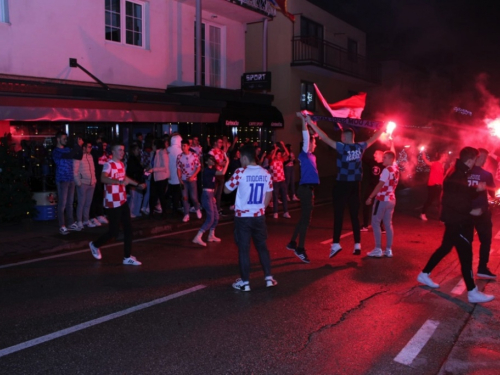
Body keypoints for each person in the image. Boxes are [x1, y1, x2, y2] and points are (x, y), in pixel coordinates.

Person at [417, 147, 494, 303]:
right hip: (457, 221)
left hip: (456, 220)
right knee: (466, 255)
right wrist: (471, 211)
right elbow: (451, 201)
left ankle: (424, 274)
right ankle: (472, 292)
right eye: (475, 160)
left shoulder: (460, 172)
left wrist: (476, 191)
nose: (476, 164)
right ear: (470, 160)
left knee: (445, 248)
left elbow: (462, 194)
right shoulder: (456, 174)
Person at [304, 114, 384, 257]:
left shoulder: (342, 147)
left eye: (341, 137)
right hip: (355, 185)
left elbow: (325, 138)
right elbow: (373, 139)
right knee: (354, 215)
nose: (340, 139)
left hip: (342, 184)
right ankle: (357, 245)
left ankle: (335, 244)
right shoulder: (360, 146)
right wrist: (383, 127)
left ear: (345, 137)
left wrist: (311, 123)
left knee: (339, 214)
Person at [224, 144, 277, 291]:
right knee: (262, 247)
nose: (240, 161)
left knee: (244, 249)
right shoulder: (266, 173)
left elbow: (227, 190)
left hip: (243, 218)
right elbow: (269, 194)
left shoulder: (240, 172)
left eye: (241, 158)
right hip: (259, 216)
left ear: (245, 157)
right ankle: (268, 278)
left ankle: (245, 282)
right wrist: (262, 209)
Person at [89, 143, 146, 265]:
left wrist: (137, 184)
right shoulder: (108, 164)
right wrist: (118, 182)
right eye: (119, 150)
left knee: (128, 229)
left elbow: (124, 177)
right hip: (112, 202)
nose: (122, 152)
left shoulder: (120, 164)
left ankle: (127, 257)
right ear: (113, 152)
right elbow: (103, 178)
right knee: (113, 232)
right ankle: (94, 244)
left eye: (123, 150)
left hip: (122, 200)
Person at [286, 113, 320, 263]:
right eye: (314, 143)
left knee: (304, 218)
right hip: (305, 189)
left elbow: (313, 136)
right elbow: (307, 137)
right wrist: (304, 122)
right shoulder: (305, 155)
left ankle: (292, 242)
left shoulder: (311, 155)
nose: (315, 144)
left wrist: (313, 125)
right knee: (306, 221)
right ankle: (300, 248)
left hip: (308, 189)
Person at [468, 148, 496, 279]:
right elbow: (492, 193)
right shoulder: (486, 175)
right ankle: (482, 268)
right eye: (484, 158)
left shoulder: (464, 173)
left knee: (467, 241)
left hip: (465, 212)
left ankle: (466, 268)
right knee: (485, 240)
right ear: (478, 158)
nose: (485, 160)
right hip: (482, 211)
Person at [365, 151, 399, 257]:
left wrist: (370, 197)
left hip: (382, 199)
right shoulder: (395, 168)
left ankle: (378, 249)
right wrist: (391, 140)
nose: (382, 159)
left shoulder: (386, 170)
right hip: (392, 199)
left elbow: (380, 185)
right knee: (388, 224)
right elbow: (394, 154)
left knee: (375, 223)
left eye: (385, 157)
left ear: (390, 159)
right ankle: (388, 250)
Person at [192, 154, 229, 246]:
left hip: (210, 194)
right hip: (206, 195)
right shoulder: (207, 170)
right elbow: (222, 173)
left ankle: (211, 235)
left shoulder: (212, 170)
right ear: (206, 162)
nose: (212, 160)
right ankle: (198, 236)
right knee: (211, 218)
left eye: (213, 159)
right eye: (210, 159)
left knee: (216, 217)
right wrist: (227, 162)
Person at [53, 131, 80, 235]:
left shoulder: (68, 149)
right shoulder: (56, 151)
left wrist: (77, 146)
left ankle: (70, 223)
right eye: (64, 138)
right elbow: (67, 156)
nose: (65, 140)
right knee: (62, 203)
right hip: (62, 179)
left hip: (70, 178)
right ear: (58, 139)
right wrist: (76, 148)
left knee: (70, 203)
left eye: (66, 138)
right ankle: (62, 225)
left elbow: (78, 156)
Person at [73, 140, 97, 229]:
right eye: (89, 147)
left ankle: (86, 220)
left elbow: (93, 169)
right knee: (81, 203)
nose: (91, 149)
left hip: (91, 182)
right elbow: (75, 170)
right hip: (83, 183)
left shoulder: (90, 156)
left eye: (91, 147)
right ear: (84, 147)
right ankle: (79, 221)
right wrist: (78, 182)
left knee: (88, 203)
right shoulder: (79, 156)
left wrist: (94, 179)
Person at [177, 140, 202, 222]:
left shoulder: (194, 155)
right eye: (182, 146)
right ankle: (186, 214)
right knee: (185, 197)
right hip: (184, 180)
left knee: (194, 197)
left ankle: (197, 209)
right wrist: (180, 179)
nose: (183, 147)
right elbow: (179, 168)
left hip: (192, 179)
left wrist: (193, 176)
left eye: (184, 145)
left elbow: (198, 167)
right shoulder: (179, 157)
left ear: (188, 146)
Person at [361, 149, 384, 231]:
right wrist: (362, 147)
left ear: (381, 156)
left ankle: (380, 226)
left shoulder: (385, 165)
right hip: (371, 187)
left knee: (380, 207)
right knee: (366, 204)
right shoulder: (371, 162)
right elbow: (362, 156)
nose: (374, 155)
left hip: (381, 188)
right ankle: (365, 225)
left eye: (376, 153)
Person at [421, 152, 448, 221]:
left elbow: (442, 176)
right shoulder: (435, 163)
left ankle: (440, 216)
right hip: (432, 185)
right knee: (430, 200)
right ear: (442, 156)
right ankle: (422, 213)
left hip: (439, 185)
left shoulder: (443, 165)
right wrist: (424, 158)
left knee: (440, 201)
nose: (446, 158)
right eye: (445, 156)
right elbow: (428, 163)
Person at [269, 141, 291, 219]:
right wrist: (275, 149)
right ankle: (275, 212)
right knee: (275, 197)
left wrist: (283, 145)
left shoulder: (281, 160)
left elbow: (288, 154)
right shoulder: (272, 162)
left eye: (279, 154)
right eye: (278, 154)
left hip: (282, 181)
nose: (279, 155)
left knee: (284, 197)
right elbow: (272, 157)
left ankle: (286, 212)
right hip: (275, 182)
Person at [149, 138, 170, 219]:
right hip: (154, 177)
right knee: (152, 195)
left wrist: (153, 169)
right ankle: (151, 212)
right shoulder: (153, 153)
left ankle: (164, 212)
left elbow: (164, 167)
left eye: (153, 144)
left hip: (161, 177)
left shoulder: (162, 153)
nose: (152, 146)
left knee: (161, 195)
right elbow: (152, 164)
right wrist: (149, 169)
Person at [126, 144, 146, 218]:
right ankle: (131, 212)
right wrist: (141, 169)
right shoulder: (132, 159)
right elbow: (132, 170)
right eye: (137, 150)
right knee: (134, 197)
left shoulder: (136, 159)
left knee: (138, 196)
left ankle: (136, 211)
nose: (138, 151)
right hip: (134, 180)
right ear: (133, 151)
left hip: (137, 180)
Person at [209, 137, 228, 214]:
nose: (221, 144)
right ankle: (212, 209)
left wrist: (224, 163)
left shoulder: (221, 151)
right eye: (219, 142)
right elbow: (210, 162)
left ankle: (218, 208)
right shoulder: (212, 152)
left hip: (221, 173)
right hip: (215, 174)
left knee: (219, 193)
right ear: (215, 143)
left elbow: (224, 160)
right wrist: (219, 163)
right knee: (214, 192)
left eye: (221, 142)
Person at [167, 134, 183, 214]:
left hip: (169, 175)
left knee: (172, 192)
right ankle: (176, 208)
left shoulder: (168, 149)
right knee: (177, 193)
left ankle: (172, 206)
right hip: (178, 176)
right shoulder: (180, 151)